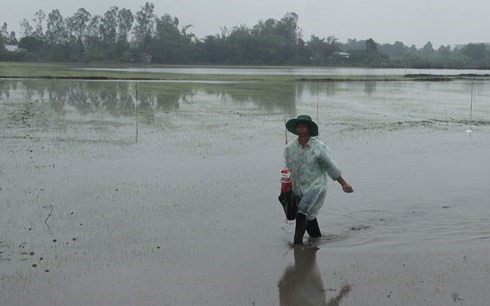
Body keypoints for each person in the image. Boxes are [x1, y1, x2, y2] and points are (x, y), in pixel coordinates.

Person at [284, 115, 353, 245]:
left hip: (316, 186)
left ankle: (297, 245)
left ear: (309, 129)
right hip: (298, 188)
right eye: (299, 125)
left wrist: (343, 183)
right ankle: (316, 240)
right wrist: (287, 188)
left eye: (304, 125)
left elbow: (331, 167)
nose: (301, 128)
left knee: (302, 212)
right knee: (309, 218)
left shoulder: (319, 147)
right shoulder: (289, 149)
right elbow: (289, 169)